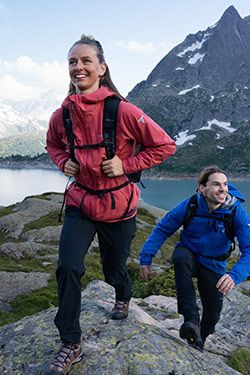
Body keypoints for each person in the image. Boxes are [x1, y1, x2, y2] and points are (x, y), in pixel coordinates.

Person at [46, 34, 176, 374]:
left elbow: (164, 146)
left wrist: (127, 165)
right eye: (73, 62)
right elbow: (52, 146)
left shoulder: (123, 110)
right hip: (82, 202)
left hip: (119, 206)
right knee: (69, 266)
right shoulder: (62, 115)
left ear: (102, 68)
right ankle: (70, 341)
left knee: (113, 268)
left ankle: (123, 293)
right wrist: (63, 163)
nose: (78, 67)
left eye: (86, 61)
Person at [139, 166, 250, 351]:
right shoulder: (191, 205)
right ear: (202, 188)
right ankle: (191, 319)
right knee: (180, 257)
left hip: (214, 263)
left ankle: (199, 338)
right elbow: (163, 228)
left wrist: (234, 276)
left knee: (212, 313)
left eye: (225, 184)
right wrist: (146, 257)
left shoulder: (236, 212)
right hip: (190, 255)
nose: (223, 189)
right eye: (216, 184)